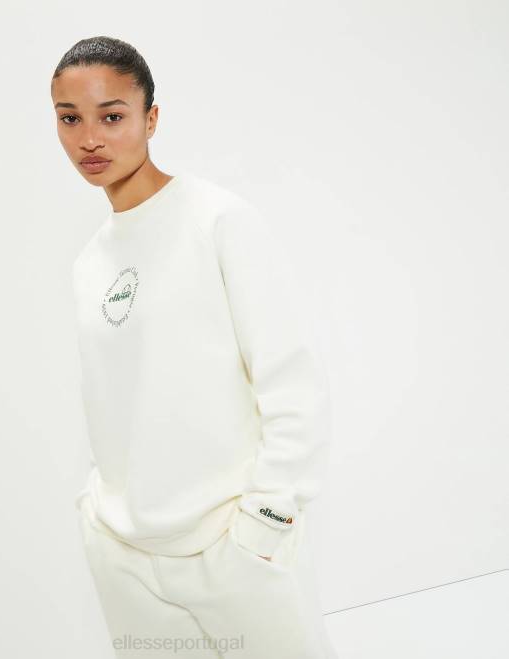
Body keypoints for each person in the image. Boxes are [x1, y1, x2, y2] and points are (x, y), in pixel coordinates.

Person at [50, 35, 339, 659]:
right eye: (70, 119)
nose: (89, 139)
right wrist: (98, 517)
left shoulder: (217, 221)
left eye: (112, 116)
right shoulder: (89, 262)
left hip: (234, 551)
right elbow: (111, 398)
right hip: (127, 559)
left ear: (151, 118)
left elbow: (291, 380)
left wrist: (267, 522)